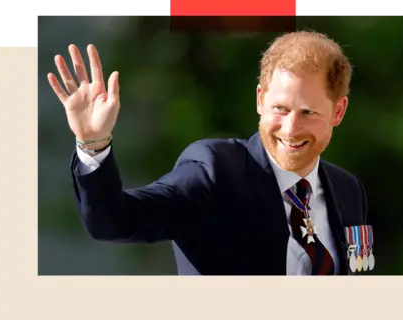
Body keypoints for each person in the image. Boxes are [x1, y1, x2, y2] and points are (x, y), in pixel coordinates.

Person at [47, 31, 372, 275]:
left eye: (308, 113)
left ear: (338, 111)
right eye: (280, 109)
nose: (290, 128)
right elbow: (115, 223)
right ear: (260, 99)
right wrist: (94, 143)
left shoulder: (348, 190)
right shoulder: (214, 172)